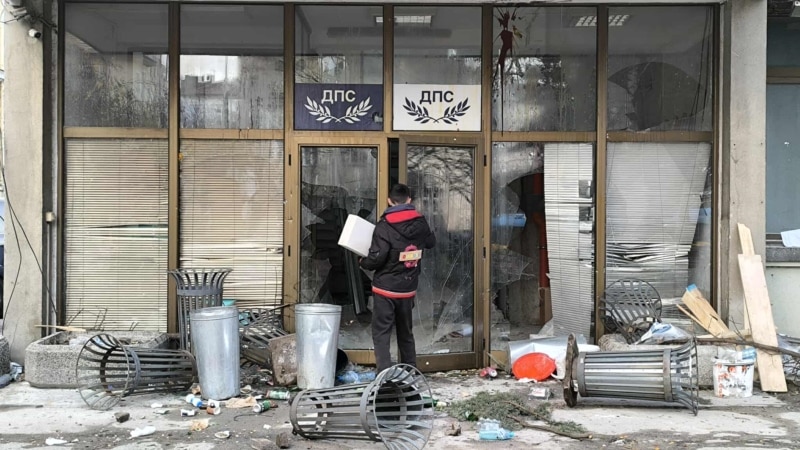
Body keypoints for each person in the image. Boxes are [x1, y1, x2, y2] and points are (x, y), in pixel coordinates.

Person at [359, 184, 436, 373]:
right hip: (408, 287)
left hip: (385, 289)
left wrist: (362, 261)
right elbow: (431, 243)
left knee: (381, 332)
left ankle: (385, 373)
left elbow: (377, 258)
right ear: (409, 200)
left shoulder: (384, 226)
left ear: (389, 201)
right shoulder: (421, 222)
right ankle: (411, 371)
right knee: (406, 332)